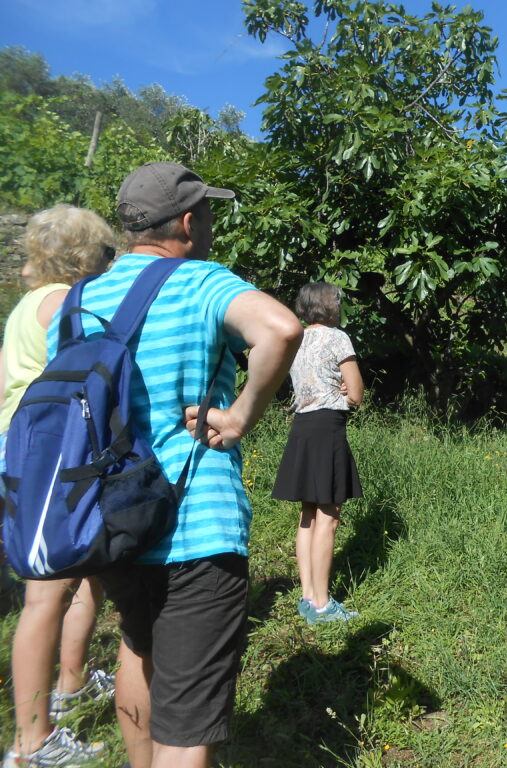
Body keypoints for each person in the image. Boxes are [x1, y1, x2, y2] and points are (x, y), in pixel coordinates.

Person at [46, 162, 302, 768]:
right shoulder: (200, 281)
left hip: (113, 521)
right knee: (188, 721)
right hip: (194, 524)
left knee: (138, 647)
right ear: (188, 221)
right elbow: (281, 329)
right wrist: (239, 416)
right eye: (206, 212)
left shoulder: (81, 299)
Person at [2, 205, 117, 768]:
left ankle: (72, 687)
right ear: (84, 255)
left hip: (40, 451)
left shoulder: (28, 304)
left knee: (86, 568)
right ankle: (30, 742)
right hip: (47, 452)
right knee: (45, 593)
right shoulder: (62, 305)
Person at [271, 282, 364, 626]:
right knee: (329, 516)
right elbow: (355, 394)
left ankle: (308, 597)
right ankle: (324, 606)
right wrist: (346, 387)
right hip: (328, 428)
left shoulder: (295, 338)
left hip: (302, 427)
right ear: (329, 305)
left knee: (308, 513)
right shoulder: (337, 337)